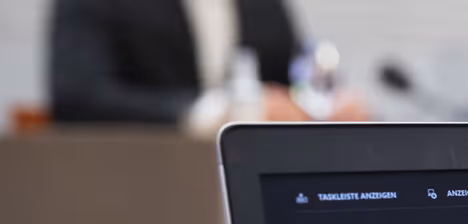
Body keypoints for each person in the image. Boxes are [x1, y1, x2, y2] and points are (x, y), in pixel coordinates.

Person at [48, 0, 365, 128]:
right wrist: (214, 112)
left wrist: (324, 106)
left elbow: (294, 71)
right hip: (141, 180)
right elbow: (78, 96)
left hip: (253, 181)